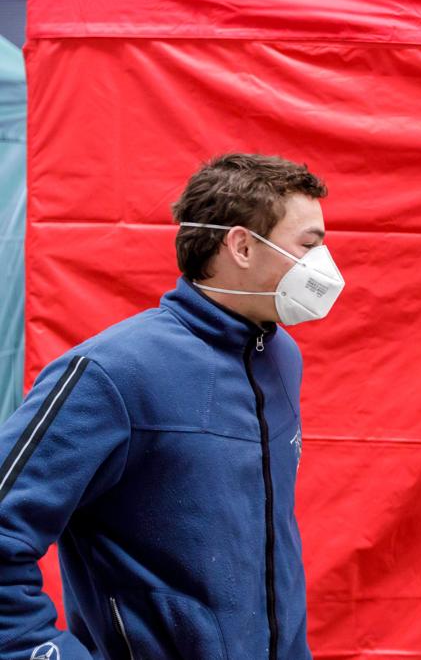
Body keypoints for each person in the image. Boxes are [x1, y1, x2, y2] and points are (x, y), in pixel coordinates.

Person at [0, 154, 344, 659]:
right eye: (309, 245)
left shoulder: (280, 357)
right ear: (243, 245)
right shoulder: (113, 372)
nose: (324, 264)